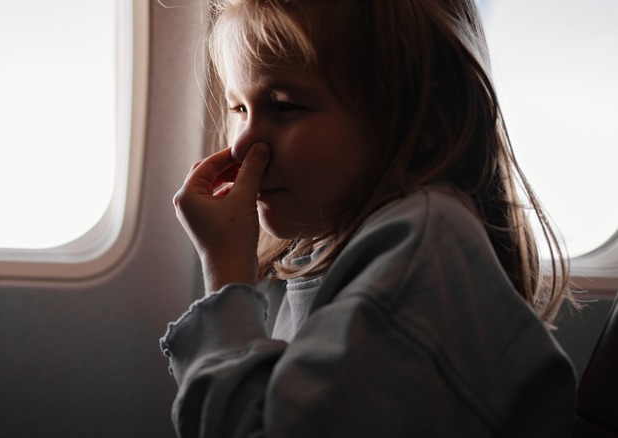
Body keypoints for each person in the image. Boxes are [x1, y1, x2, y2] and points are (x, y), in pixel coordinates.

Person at [161, 0, 577, 436]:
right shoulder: (333, 246)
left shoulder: (420, 256)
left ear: (428, 116)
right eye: (239, 109)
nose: (244, 147)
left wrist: (226, 279)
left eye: (284, 106)